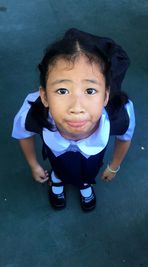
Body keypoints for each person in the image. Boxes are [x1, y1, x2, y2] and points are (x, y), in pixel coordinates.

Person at [12, 28, 135, 211]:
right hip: (56, 153)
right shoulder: (32, 111)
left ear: (106, 96)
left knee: (90, 169)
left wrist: (114, 166)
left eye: (90, 91)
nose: (77, 107)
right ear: (44, 96)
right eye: (62, 91)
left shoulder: (120, 115)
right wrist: (34, 164)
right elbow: (23, 133)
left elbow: (125, 137)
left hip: (93, 156)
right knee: (58, 165)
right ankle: (57, 178)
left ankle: (85, 183)